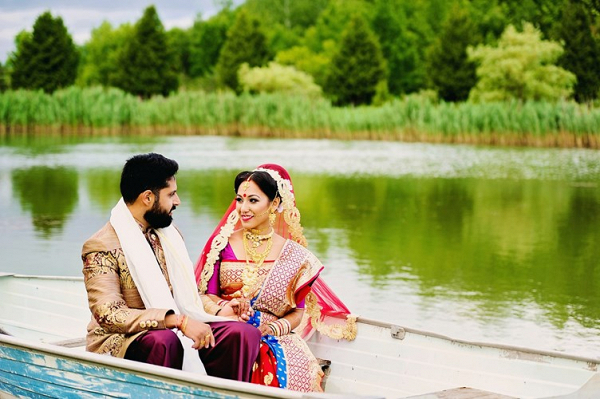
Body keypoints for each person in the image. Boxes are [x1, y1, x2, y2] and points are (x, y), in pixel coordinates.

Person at [81, 153, 260, 381]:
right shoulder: (101, 245)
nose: (178, 201)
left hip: (174, 329)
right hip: (123, 339)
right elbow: (110, 315)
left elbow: (187, 300)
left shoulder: (169, 235)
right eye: (171, 194)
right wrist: (177, 321)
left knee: (242, 333)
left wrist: (220, 310)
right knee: (164, 340)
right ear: (147, 197)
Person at [195, 164, 357, 392]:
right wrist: (226, 309)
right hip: (226, 332)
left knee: (293, 371)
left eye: (253, 200)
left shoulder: (295, 256)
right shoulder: (221, 245)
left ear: (274, 204)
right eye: (239, 200)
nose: (243, 208)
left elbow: (297, 313)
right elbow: (205, 295)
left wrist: (270, 329)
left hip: (273, 337)